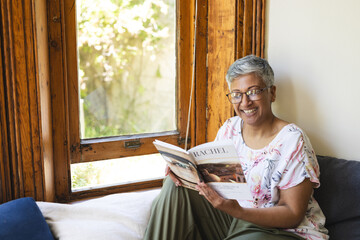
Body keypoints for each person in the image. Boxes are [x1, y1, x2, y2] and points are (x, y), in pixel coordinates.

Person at [144, 55, 329, 240]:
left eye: (253, 91)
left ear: (272, 93)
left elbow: (292, 214)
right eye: (237, 94)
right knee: (174, 186)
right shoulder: (229, 129)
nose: (245, 102)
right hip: (235, 219)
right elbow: (215, 179)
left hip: (282, 232)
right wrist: (184, 173)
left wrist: (238, 211)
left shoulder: (292, 140)